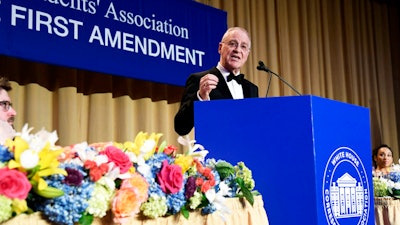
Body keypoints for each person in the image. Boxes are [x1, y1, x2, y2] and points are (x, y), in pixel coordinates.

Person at [174, 27, 259, 136]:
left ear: (247, 54)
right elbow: (181, 127)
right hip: (214, 152)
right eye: (232, 44)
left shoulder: (252, 89)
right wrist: (200, 96)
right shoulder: (199, 80)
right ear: (220, 48)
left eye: (243, 46)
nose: (237, 50)